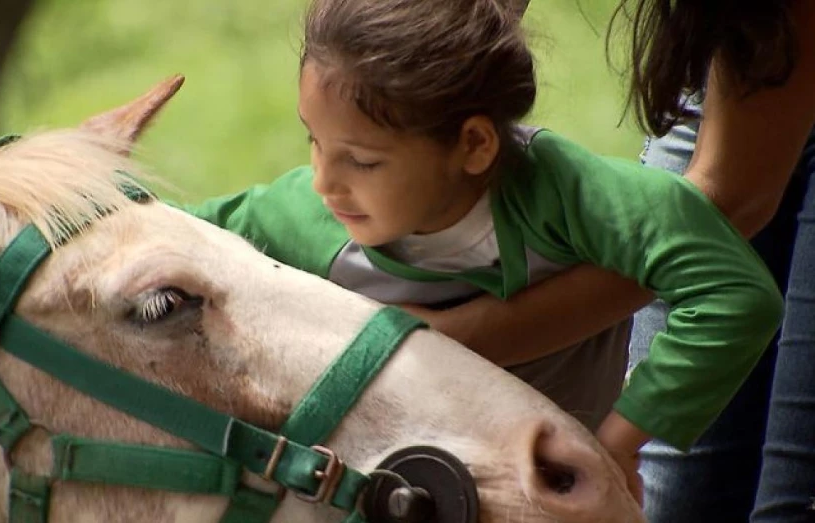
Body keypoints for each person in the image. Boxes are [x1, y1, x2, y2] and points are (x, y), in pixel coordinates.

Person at [180, 0, 784, 500]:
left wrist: (619, 441)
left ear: (473, 144)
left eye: (362, 160)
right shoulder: (300, 216)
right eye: (314, 142)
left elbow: (736, 294)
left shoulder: (575, 198)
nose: (323, 182)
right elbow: (153, 242)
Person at [428, 0, 815, 520]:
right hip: (736, 33)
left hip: (770, 22)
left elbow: (724, 224)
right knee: (669, 502)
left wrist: (618, 437)